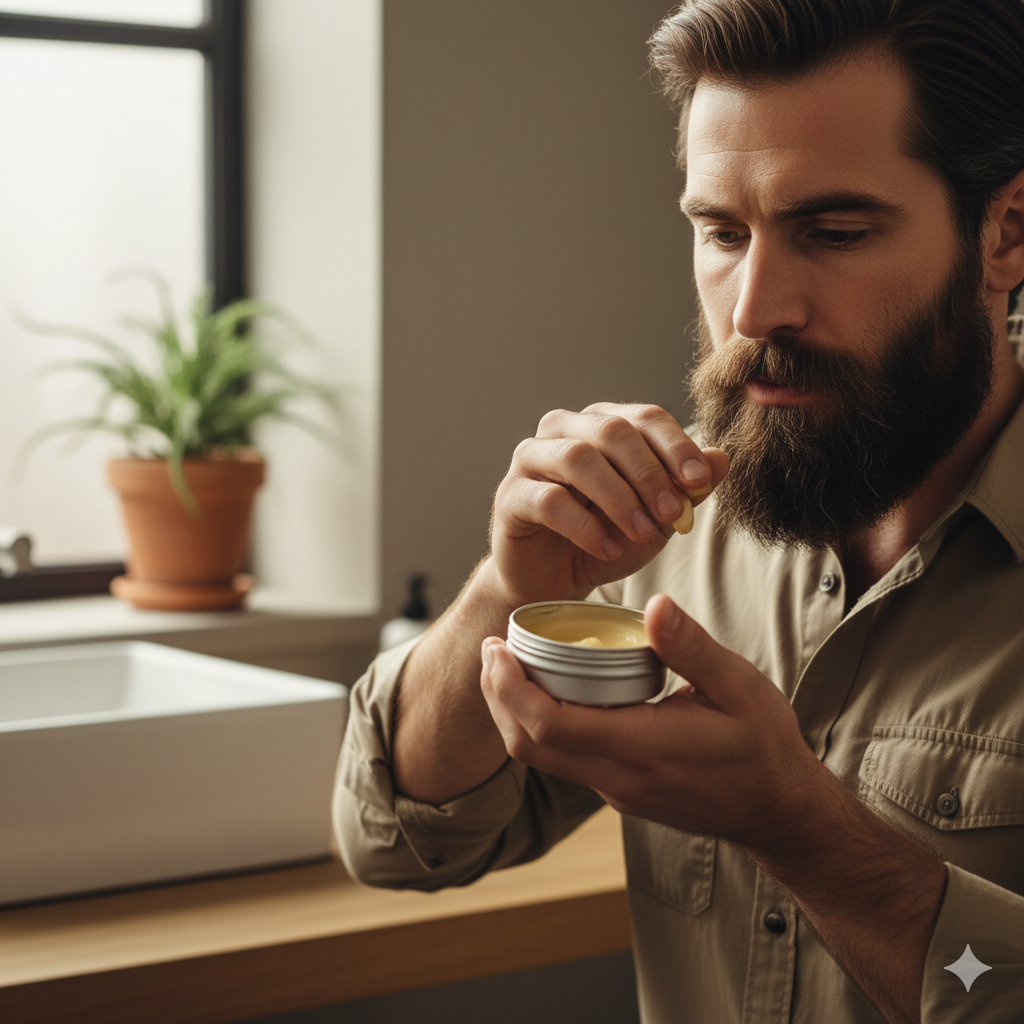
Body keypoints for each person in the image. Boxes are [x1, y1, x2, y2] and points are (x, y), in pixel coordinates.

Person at [334, 1, 1024, 1020]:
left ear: (1006, 233)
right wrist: (509, 591)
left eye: (833, 233)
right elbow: (399, 838)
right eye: (721, 232)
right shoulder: (666, 527)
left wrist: (798, 830)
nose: (753, 308)